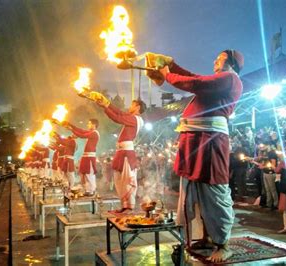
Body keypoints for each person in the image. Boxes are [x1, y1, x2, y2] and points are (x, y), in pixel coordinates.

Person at [147, 49, 244, 263]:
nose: (214, 60)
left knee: (212, 191)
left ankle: (223, 244)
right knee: (197, 191)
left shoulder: (229, 79)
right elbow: (195, 79)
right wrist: (172, 65)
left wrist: (167, 74)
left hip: (210, 140)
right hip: (196, 139)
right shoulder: (220, 79)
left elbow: (197, 83)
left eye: (219, 58)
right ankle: (208, 238)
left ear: (231, 63)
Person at [85, 93, 145, 213]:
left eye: (132, 105)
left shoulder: (135, 119)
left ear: (138, 107)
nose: (130, 106)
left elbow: (118, 118)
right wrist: (106, 104)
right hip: (121, 152)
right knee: (118, 179)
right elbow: (120, 113)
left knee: (127, 179)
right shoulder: (131, 117)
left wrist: (105, 107)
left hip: (127, 153)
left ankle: (130, 206)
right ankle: (124, 205)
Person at [63, 119, 100, 196]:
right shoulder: (91, 132)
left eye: (89, 124)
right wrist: (70, 124)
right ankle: (87, 189)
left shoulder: (95, 133)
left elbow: (82, 135)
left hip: (90, 156)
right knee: (84, 174)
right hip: (86, 156)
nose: (88, 125)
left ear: (94, 125)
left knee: (89, 174)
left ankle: (92, 190)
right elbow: (81, 131)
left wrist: (71, 130)